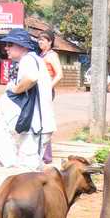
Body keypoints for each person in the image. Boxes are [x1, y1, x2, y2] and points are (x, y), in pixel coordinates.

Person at [0, 29, 56, 171]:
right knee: (30, 170)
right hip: (34, 127)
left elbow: (32, 78)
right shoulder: (32, 60)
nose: (6, 48)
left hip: (36, 127)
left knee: (28, 172)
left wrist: (16, 89)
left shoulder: (28, 59)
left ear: (22, 46)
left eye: (10, 44)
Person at [38, 30, 63, 164]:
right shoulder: (41, 54)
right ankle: (41, 153)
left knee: (44, 123)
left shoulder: (52, 56)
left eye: (43, 40)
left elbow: (59, 74)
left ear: (50, 42)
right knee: (39, 122)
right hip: (40, 91)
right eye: (39, 39)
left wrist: (48, 87)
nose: (40, 42)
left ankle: (46, 156)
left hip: (46, 92)